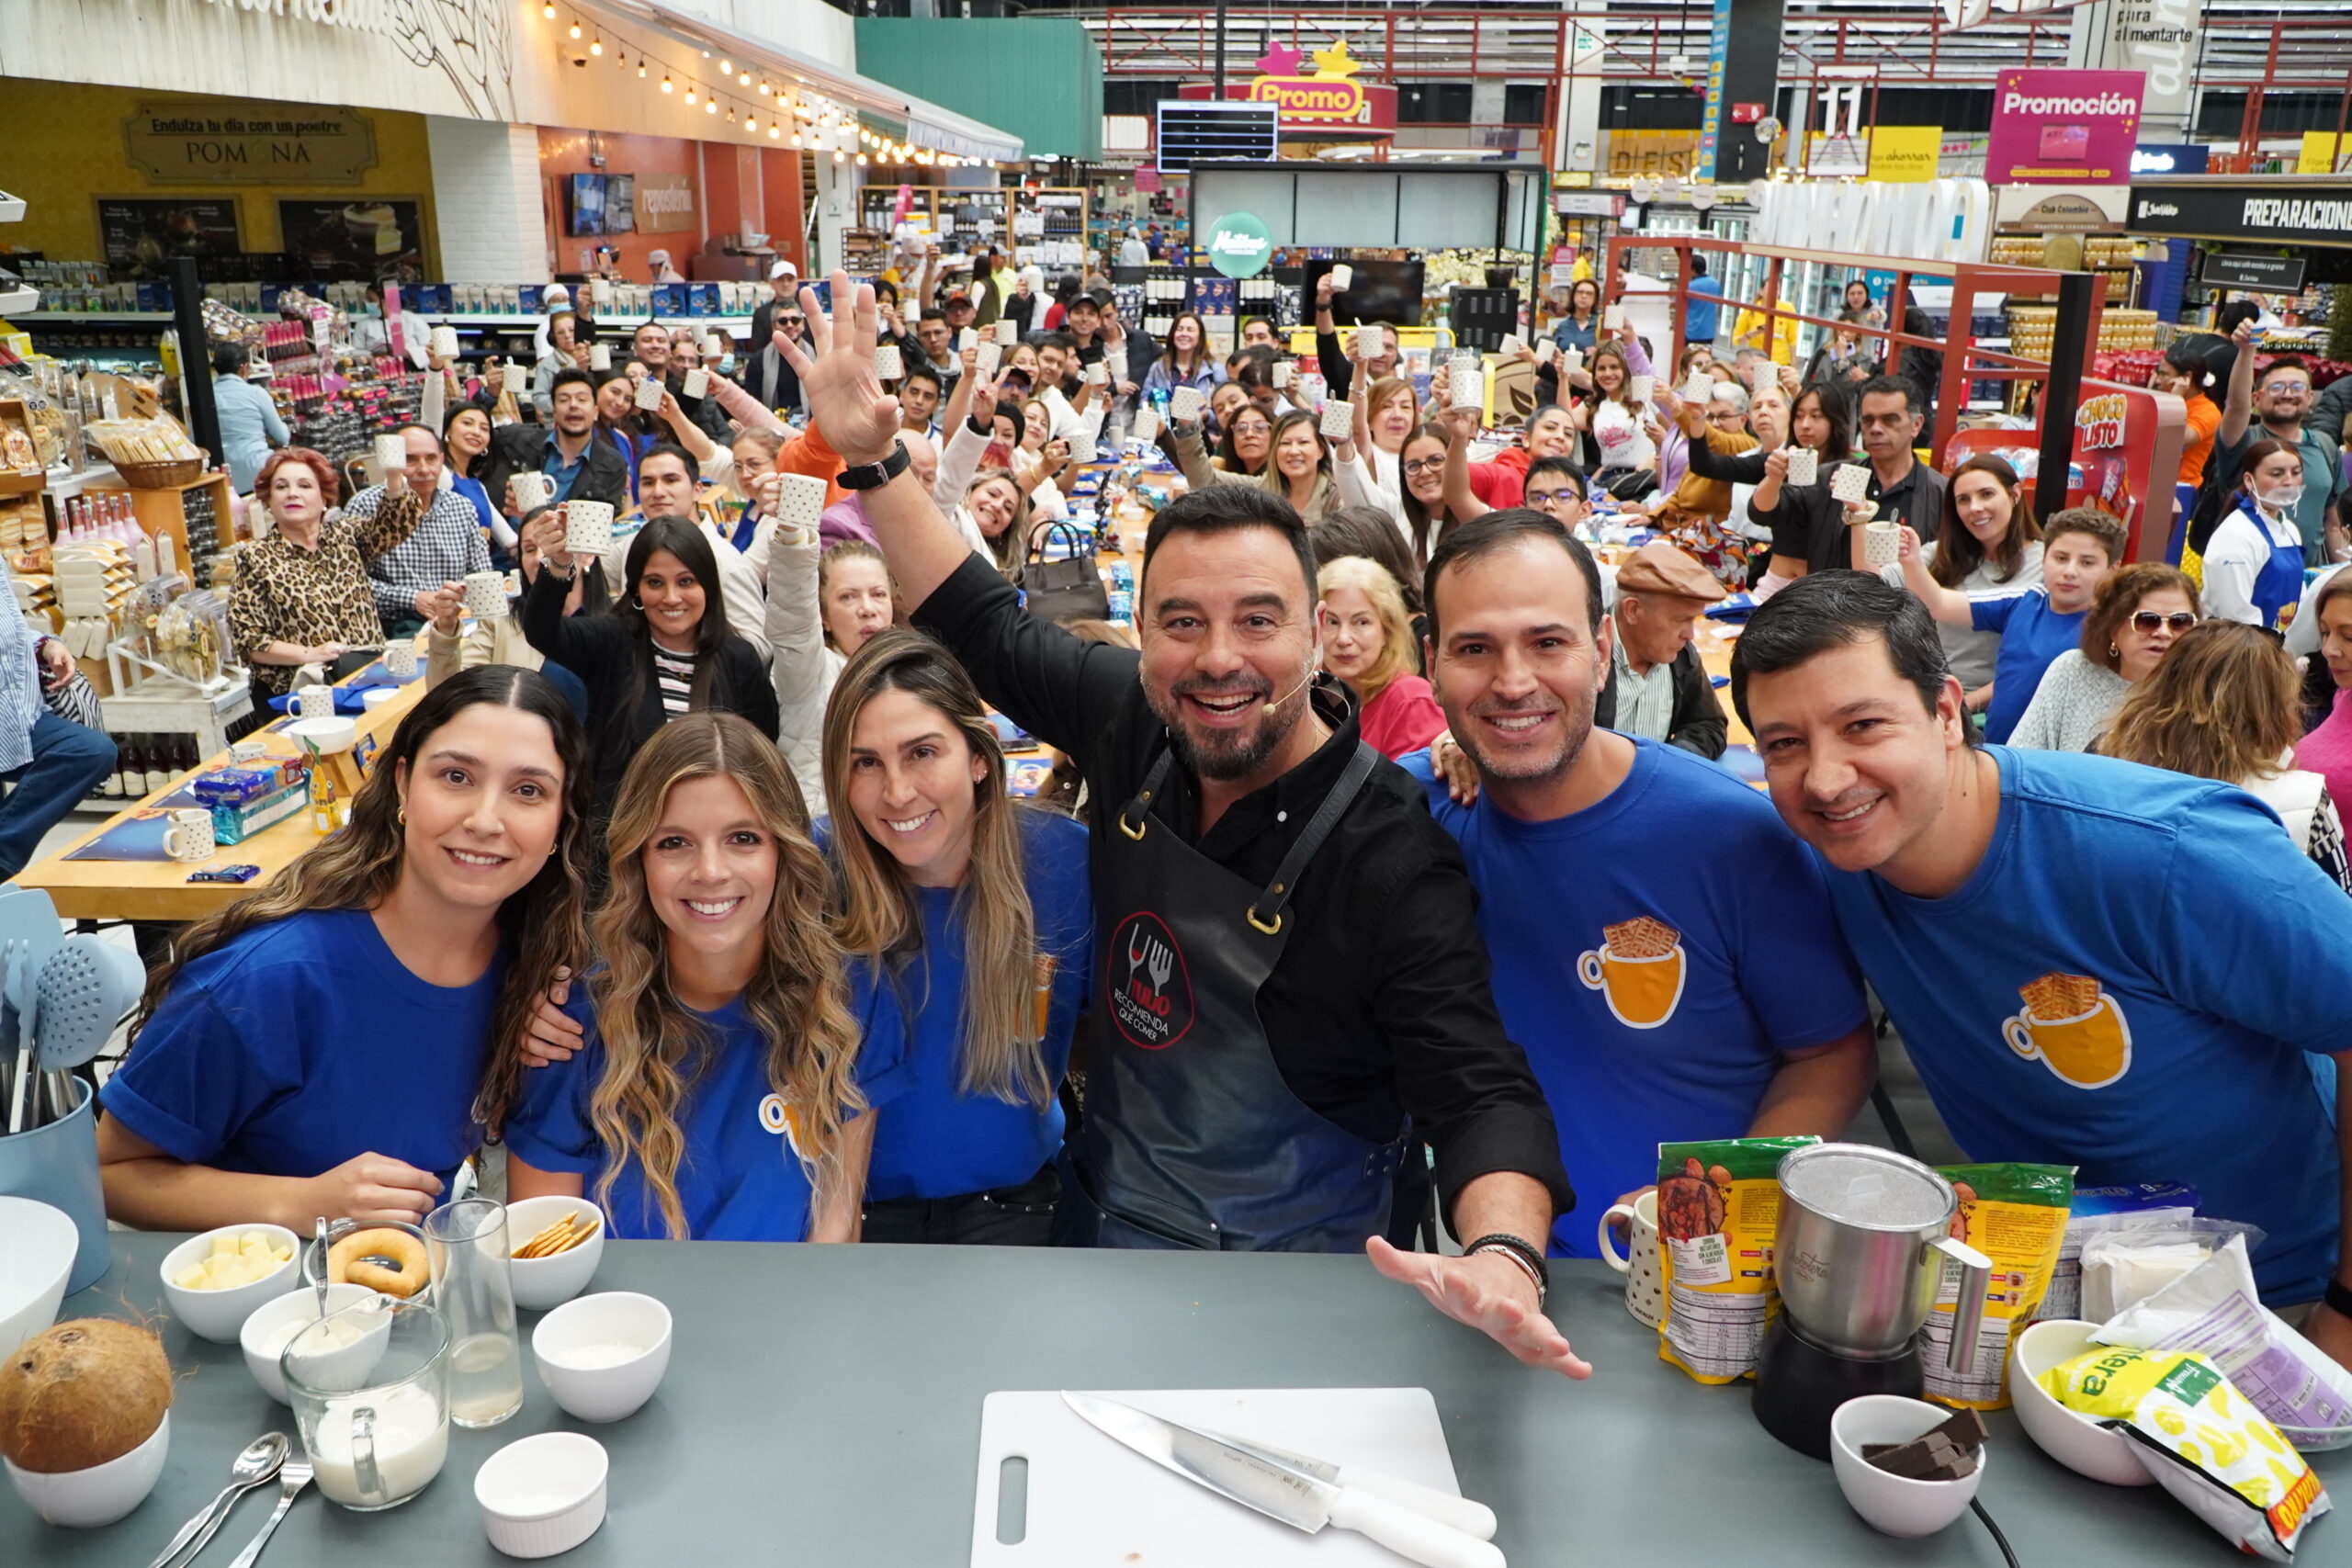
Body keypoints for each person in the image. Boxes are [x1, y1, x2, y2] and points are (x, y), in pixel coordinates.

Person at [777, 273, 1585, 1374]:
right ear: (1141, 634)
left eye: (1258, 621)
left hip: (1305, 1293)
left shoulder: (1389, 847)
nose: (1217, 659)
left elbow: (1477, 1084)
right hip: (1107, 1249)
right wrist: (872, 461)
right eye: (1181, 623)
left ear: (1320, 635)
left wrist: (1501, 1254)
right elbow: (980, 620)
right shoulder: (1133, 721)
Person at [1729, 571, 2352, 1333]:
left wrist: (2346, 1309)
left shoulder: (2164, 850)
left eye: (1863, 725)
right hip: (2044, 1286)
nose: (1826, 779)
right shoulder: (1834, 859)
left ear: (1946, 712)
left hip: (2273, 1293)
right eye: (1785, 744)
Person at [1408, 513, 1871, 1252]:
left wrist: (1722, 1189)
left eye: (1547, 642)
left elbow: (1831, 1053)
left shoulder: (1734, 836)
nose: (1513, 681)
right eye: (1474, 649)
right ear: (1432, 662)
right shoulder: (1406, 811)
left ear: (1599, 650)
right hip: (1479, 1253)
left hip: (1694, 1270)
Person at [96, 668, 591, 1231]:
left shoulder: (531, 969)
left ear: (561, 820)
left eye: (528, 791)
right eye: (456, 776)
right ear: (403, 784)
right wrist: (301, 1204)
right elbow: (109, 1172)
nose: (484, 820)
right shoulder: (262, 984)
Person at [507, 712, 902, 1240]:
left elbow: (836, 1224)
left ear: (784, 851)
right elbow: (542, 1250)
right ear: (637, 858)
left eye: (743, 838)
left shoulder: (849, 997)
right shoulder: (569, 1024)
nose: (710, 872)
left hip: (790, 1294)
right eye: (674, 842)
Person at [799, 631, 1093, 1243]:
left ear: (980, 756)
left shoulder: (1064, 863)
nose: (897, 792)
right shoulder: (809, 872)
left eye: (922, 752)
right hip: (848, 1212)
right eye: (866, 762)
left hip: (1021, 1209)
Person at [522, 511, 781, 824]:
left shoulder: (739, 658)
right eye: (655, 583)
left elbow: (762, 750)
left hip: (716, 829)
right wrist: (560, 563)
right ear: (636, 590)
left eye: (686, 581)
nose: (671, 598)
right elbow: (541, 631)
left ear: (708, 587)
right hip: (620, 836)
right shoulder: (611, 642)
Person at [2100, 620, 2352, 893]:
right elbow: (2340, 905)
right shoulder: (2306, 798)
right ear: (2275, 705)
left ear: (2161, 688)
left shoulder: (2108, 766)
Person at [1897, 506, 2123, 744]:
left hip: (2056, 758)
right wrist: (1911, 560)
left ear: (2113, 568)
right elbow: (1938, 603)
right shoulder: (2024, 601)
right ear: (2044, 558)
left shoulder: (2116, 627)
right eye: (2061, 558)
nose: (2070, 571)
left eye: (2087, 563)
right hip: (1995, 749)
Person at [231, 447, 420, 705]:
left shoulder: (346, 535)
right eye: (281, 487)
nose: (292, 493)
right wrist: (311, 654)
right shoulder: (255, 557)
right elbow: (249, 639)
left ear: (324, 499)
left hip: (371, 677)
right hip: (310, 691)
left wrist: (394, 477)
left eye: (305, 485)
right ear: (269, 501)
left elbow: (396, 525)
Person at [1877, 456, 2042, 705]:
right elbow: (1872, 583)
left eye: (1986, 494)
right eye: (1963, 499)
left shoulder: (2046, 564)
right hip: (1930, 694)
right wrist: (1857, 518)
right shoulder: (1939, 553)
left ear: (2015, 494)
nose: (1975, 507)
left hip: (1995, 706)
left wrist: (1966, 703)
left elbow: (2036, 664)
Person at [0, 553, 114, 877]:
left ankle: (3, 853)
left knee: (91, 751)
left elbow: (10, 627)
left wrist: (45, 646)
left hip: (16, 713)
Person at [2009, 563, 2199, 753]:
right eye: (2147, 620)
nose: (2164, 633)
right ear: (2113, 627)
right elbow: (2020, 756)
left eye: (2179, 622)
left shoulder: (2199, 690)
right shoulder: (2072, 670)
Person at [335, 423, 486, 639]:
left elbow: (481, 573)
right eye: (411, 460)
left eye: (431, 459)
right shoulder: (365, 505)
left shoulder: (461, 507)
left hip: (458, 620)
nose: (424, 469)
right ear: (392, 463)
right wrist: (412, 598)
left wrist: (454, 599)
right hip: (393, 628)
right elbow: (347, 580)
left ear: (442, 461)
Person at [2215, 321, 2346, 563]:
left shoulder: (2325, 446)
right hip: (2251, 571)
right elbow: (2236, 406)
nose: (2287, 394)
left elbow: (2332, 525)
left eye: (2297, 387)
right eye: (2277, 387)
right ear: (2257, 398)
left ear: (2310, 397)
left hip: (2308, 577)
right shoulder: (2245, 441)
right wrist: (2246, 352)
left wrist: (2341, 575)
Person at [1591, 542, 1730, 758]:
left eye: (1693, 620)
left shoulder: (1681, 656)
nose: (1690, 634)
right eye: (1681, 620)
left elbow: (1709, 724)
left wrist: (1668, 761)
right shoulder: (1587, 659)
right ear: (1633, 610)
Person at [1317, 556, 1444, 759]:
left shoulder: (1411, 700)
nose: (1343, 638)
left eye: (1361, 622)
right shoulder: (1322, 698)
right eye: (1332, 622)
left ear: (1387, 630)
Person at [1746, 382, 1855, 586]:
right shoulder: (1783, 460)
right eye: (1799, 416)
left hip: (1821, 590)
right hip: (1774, 582)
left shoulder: (1850, 469)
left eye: (1816, 416)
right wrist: (1773, 477)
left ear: (1835, 419)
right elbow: (1759, 512)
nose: (1805, 425)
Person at [487, 367, 630, 517]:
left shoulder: (613, 464)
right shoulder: (516, 438)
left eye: (582, 399)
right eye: (563, 400)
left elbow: (608, 522)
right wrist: (489, 396)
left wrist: (540, 517)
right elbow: (477, 434)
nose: (573, 405)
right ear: (554, 411)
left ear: (595, 412)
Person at [2204, 438, 2312, 629]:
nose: (2289, 481)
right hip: (2239, 641)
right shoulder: (2236, 535)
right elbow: (2235, 614)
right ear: (2249, 480)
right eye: (2277, 474)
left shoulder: (2290, 529)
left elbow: (2299, 597)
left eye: (2296, 472)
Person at [1849, 376, 1944, 539]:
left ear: (1916, 425)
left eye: (1889, 420)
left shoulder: (1941, 495)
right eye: (1868, 420)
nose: (1876, 429)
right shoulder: (1838, 481)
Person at [1574, 344, 1654, 498]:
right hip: (1609, 478)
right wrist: (1563, 378)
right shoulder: (1594, 404)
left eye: (1614, 367)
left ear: (1625, 369)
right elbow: (1565, 419)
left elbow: (1673, 432)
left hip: (1642, 478)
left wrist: (1655, 458)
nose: (1607, 373)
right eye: (1601, 368)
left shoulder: (1643, 397)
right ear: (1594, 374)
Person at [210, 342, 286, 494]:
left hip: (223, 478)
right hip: (258, 471)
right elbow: (283, 437)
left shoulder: (207, 396)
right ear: (244, 367)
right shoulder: (256, 393)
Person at [2154, 343, 2222, 491]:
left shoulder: (2208, 411)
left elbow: (2183, 439)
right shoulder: (2162, 399)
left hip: (2180, 488)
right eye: (2158, 374)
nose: (2158, 380)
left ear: (2187, 378)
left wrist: (2175, 402)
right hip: (2154, 480)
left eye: (2164, 375)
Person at [1142, 312, 1219, 407]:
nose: (1184, 334)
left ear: (1200, 336)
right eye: (1179, 329)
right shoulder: (1158, 368)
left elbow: (1222, 407)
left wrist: (1206, 413)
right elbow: (1144, 403)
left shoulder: (1214, 369)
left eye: (1190, 330)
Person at [740, 309, 808, 416]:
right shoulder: (758, 361)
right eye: (783, 321)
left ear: (803, 324)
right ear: (774, 326)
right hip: (771, 422)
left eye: (795, 320)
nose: (790, 325)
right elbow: (753, 402)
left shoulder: (817, 356)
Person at [532, 311, 591, 420]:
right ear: (553, 336)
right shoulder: (546, 365)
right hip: (558, 421)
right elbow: (538, 398)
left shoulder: (594, 358)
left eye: (572, 330)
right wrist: (561, 402)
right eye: (560, 332)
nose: (567, 335)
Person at [750, 258, 800, 348]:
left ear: (797, 283)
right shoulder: (761, 314)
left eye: (790, 279)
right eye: (781, 279)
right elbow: (758, 349)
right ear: (772, 284)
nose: (786, 284)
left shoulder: (807, 311)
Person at [1552, 277, 1601, 358]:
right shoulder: (1562, 326)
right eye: (1580, 292)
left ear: (1595, 299)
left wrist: (1598, 352)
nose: (1584, 296)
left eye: (1589, 293)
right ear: (1573, 296)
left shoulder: (1600, 324)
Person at [1683, 254, 1723, 347]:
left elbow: (1679, 304)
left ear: (1693, 269)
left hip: (1691, 331)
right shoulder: (1715, 284)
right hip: (1709, 331)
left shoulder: (1690, 286)